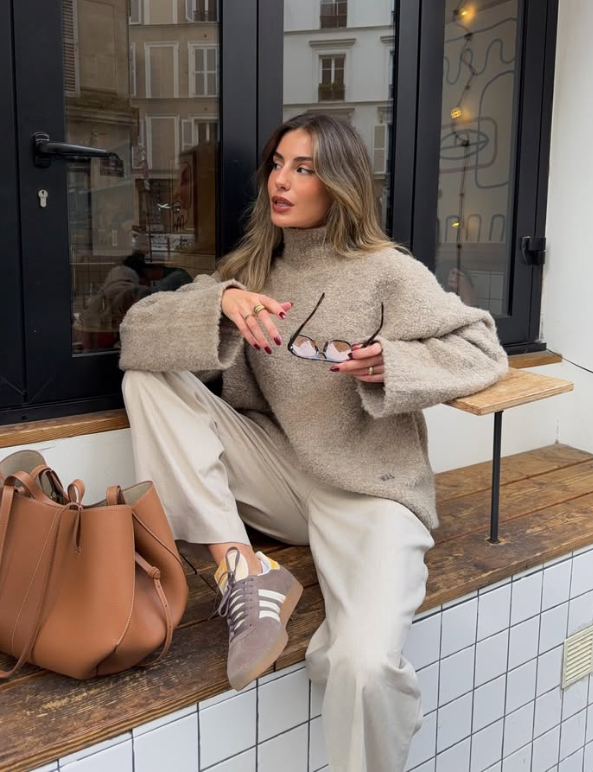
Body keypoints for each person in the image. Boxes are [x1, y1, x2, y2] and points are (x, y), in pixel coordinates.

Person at [119, 113, 509, 772]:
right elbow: (136, 332)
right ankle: (244, 574)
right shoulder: (250, 268)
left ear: (339, 183)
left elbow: (483, 348)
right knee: (148, 380)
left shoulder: (387, 271)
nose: (283, 180)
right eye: (277, 163)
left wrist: (396, 362)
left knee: (364, 664)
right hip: (282, 474)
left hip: (371, 492)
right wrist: (219, 303)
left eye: (304, 168)